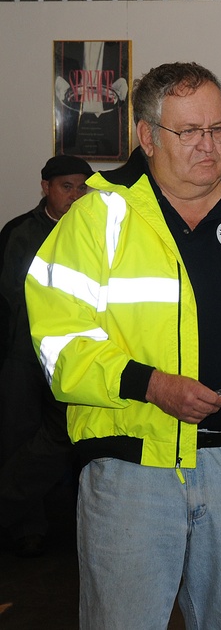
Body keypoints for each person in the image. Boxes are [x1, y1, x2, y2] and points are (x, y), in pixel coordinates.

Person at [24, 62, 221, 629]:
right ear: (147, 137)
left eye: (219, 129)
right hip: (132, 471)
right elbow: (59, 340)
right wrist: (149, 385)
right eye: (190, 132)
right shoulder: (97, 219)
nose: (209, 145)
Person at [0, 154, 92, 558]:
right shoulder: (20, 232)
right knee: (17, 434)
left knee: (63, 433)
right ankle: (26, 528)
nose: (74, 195)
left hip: (74, 352)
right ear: (46, 188)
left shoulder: (96, 231)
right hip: (23, 351)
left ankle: (8, 505)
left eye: (81, 187)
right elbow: (8, 298)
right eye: (65, 187)